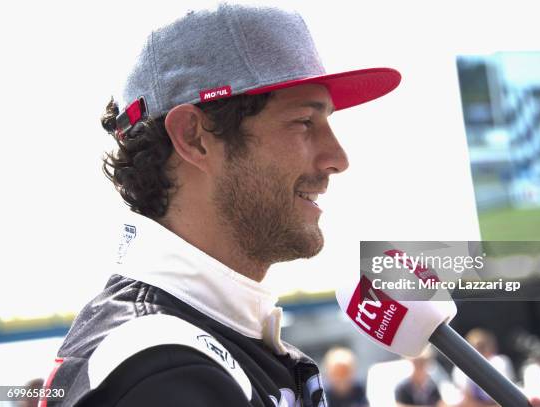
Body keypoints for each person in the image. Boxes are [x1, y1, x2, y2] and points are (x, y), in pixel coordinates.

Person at [38, 3, 400, 407]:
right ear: (194, 137)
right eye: (304, 122)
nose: (338, 158)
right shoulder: (158, 366)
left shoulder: (199, 344)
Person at [452, 328, 515, 406]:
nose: (478, 351)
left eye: (482, 346)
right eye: (473, 347)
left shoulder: (500, 362)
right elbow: (467, 400)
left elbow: (506, 394)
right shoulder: (460, 369)